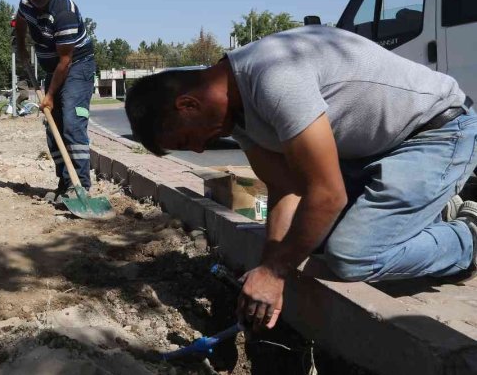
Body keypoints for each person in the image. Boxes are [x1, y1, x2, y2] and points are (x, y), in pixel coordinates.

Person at [125, 25, 477, 331]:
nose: (200, 149)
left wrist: (276, 272)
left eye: (187, 140)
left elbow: (327, 195)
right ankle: (428, 212)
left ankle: (467, 239)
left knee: (352, 257)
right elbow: (286, 189)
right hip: (377, 151)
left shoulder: (273, 76)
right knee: (312, 239)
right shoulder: (238, 110)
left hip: (436, 133)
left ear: (188, 105)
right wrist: (266, 267)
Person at [14, 0, 96, 199]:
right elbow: (20, 23)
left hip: (77, 67)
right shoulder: (26, 4)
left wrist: (49, 96)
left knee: (72, 121)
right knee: (53, 126)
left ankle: (81, 186)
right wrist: (20, 47)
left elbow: (65, 61)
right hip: (55, 69)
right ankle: (64, 183)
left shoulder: (64, 12)